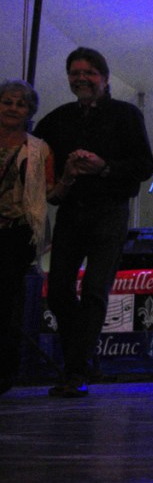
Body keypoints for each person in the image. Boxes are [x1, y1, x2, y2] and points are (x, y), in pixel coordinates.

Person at [34, 48, 153, 397]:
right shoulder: (56, 121)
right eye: (75, 73)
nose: (81, 79)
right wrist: (65, 176)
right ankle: (85, 360)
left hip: (110, 211)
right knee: (57, 291)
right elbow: (40, 164)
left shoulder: (126, 115)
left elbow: (144, 166)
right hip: (71, 212)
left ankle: (74, 373)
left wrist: (104, 167)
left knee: (94, 291)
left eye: (89, 72)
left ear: (104, 77)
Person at [0, 81, 59, 395]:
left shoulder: (38, 149)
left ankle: (4, 372)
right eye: (7, 102)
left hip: (16, 232)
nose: (12, 108)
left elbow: (48, 192)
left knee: (6, 301)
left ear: (29, 111)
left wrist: (71, 176)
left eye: (19, 104)